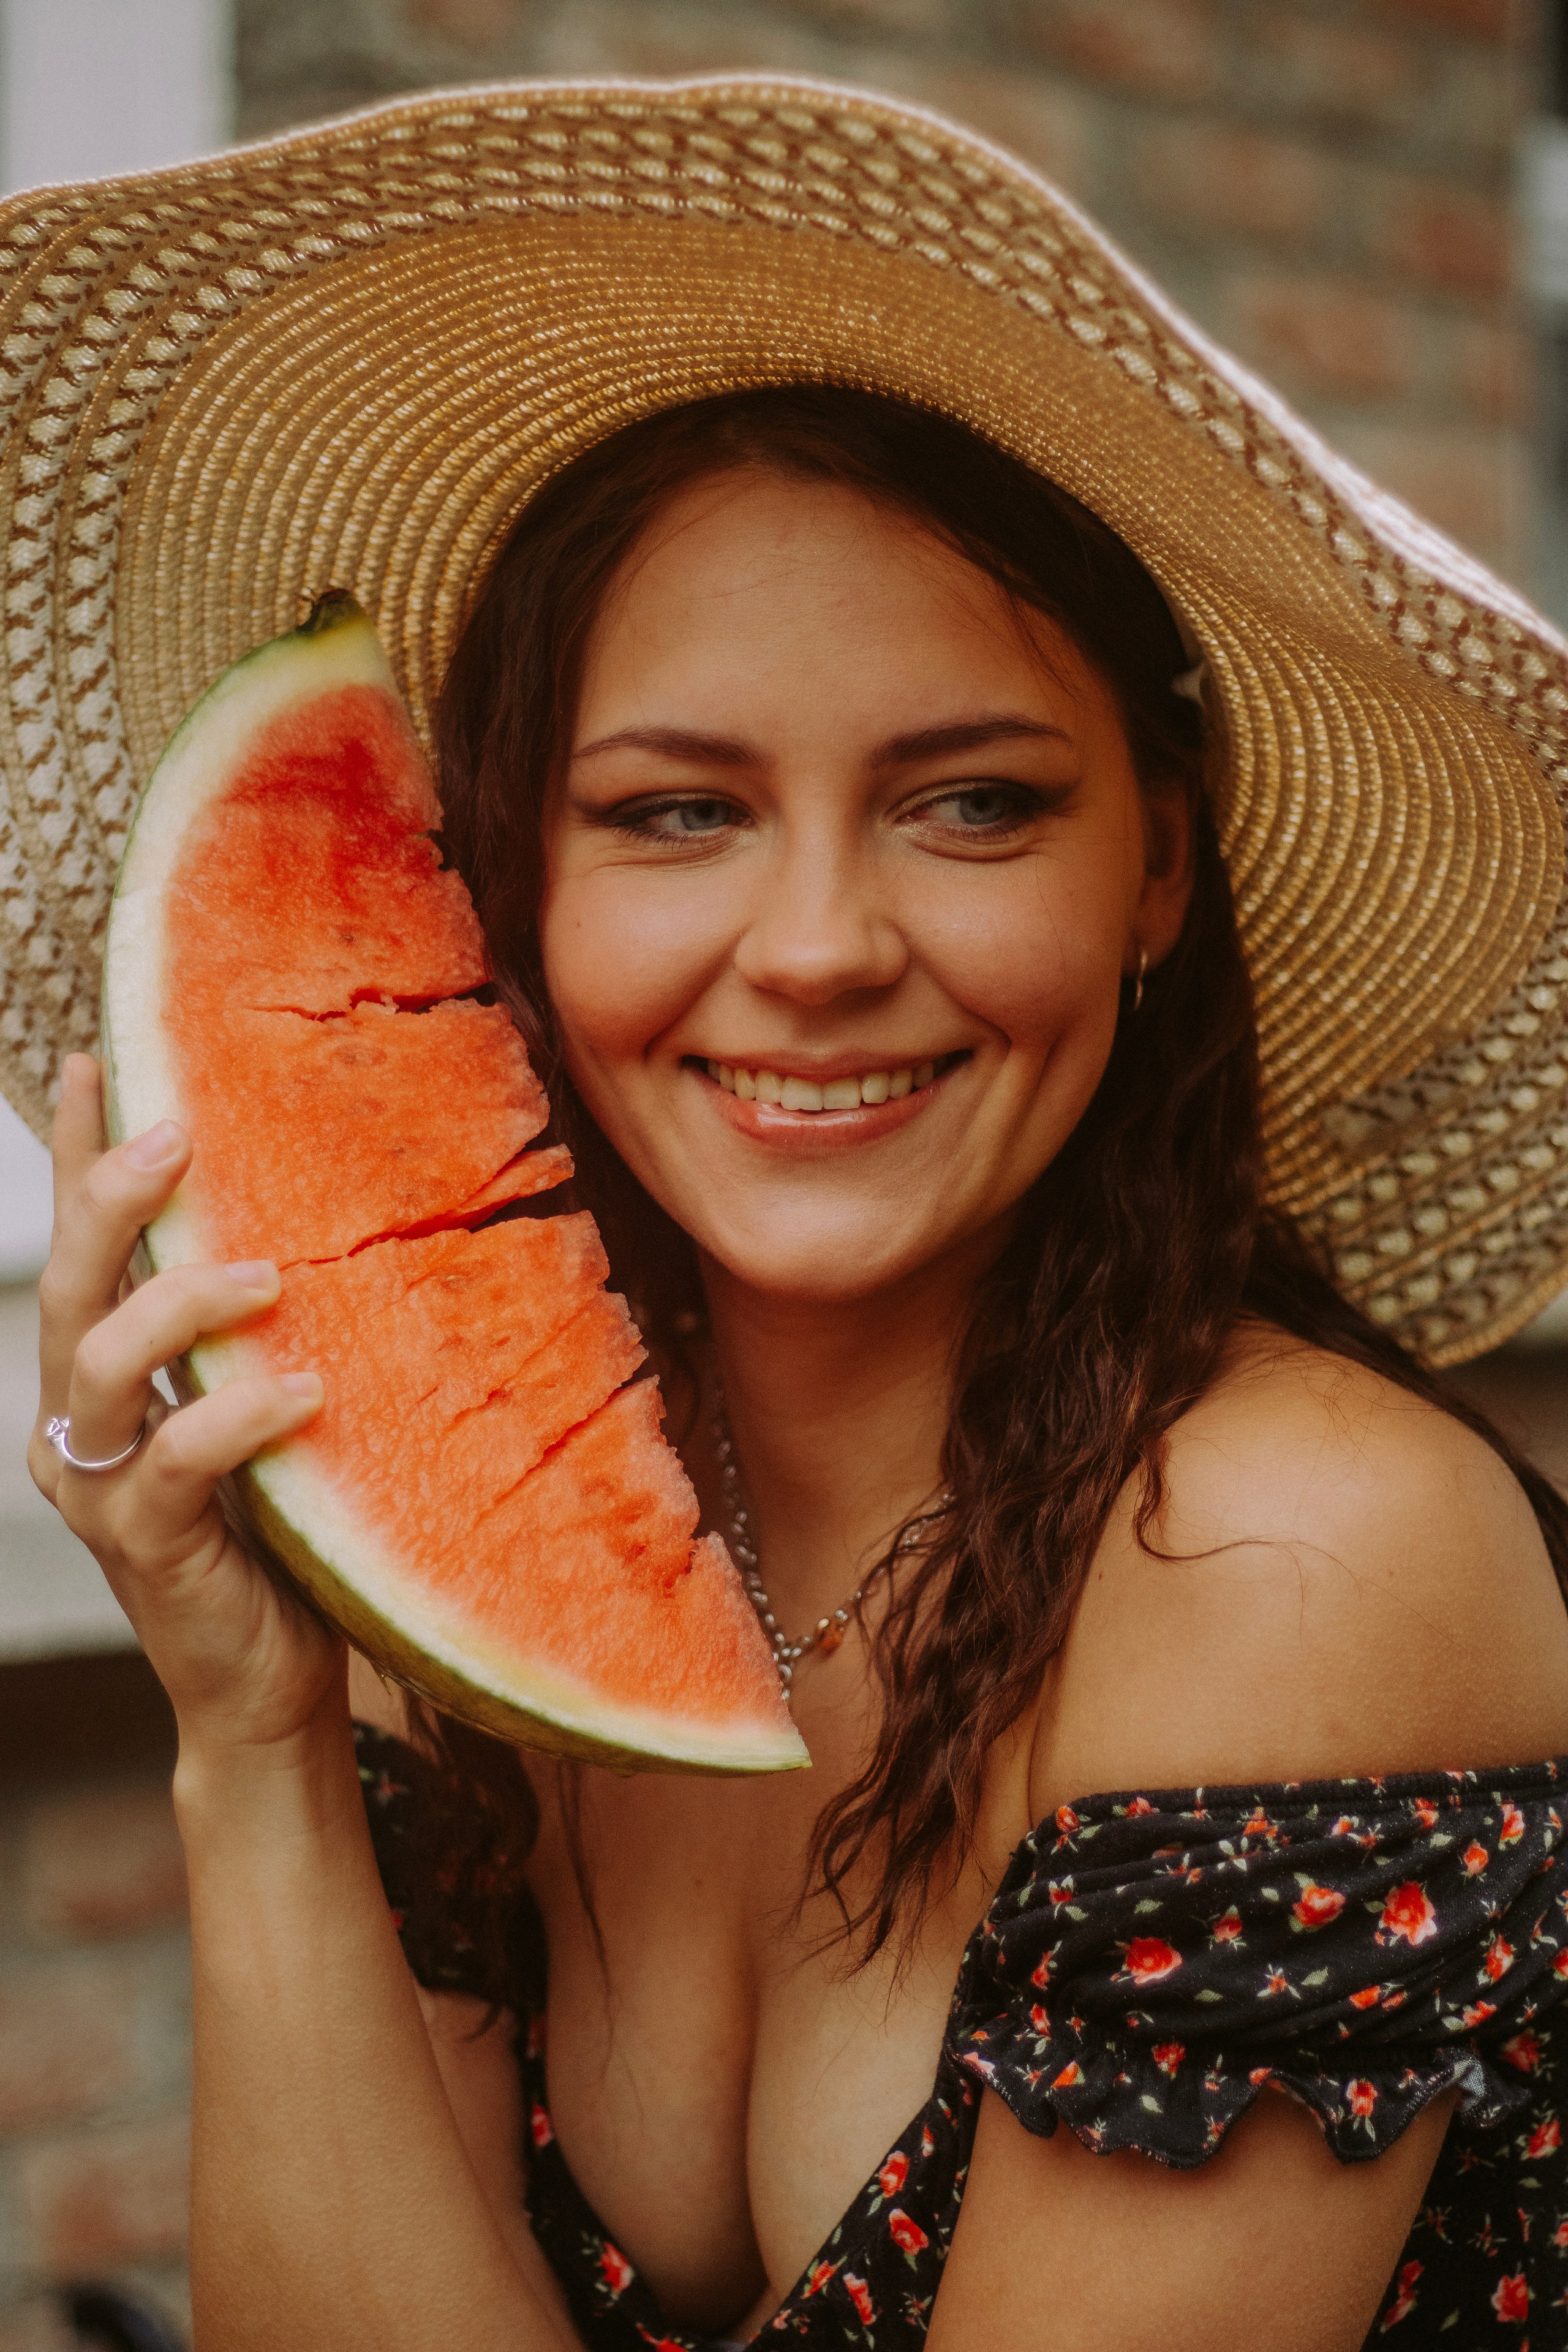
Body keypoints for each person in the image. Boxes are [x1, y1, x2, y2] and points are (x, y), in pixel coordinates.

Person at [12, 78, 1568, 2352]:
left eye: (969, 801)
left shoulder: (1284, 1562)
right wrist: (256, 1750)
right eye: (674, 814)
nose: (821, 944)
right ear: (497, 897)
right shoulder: (498, 1567)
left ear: (1157, 864)